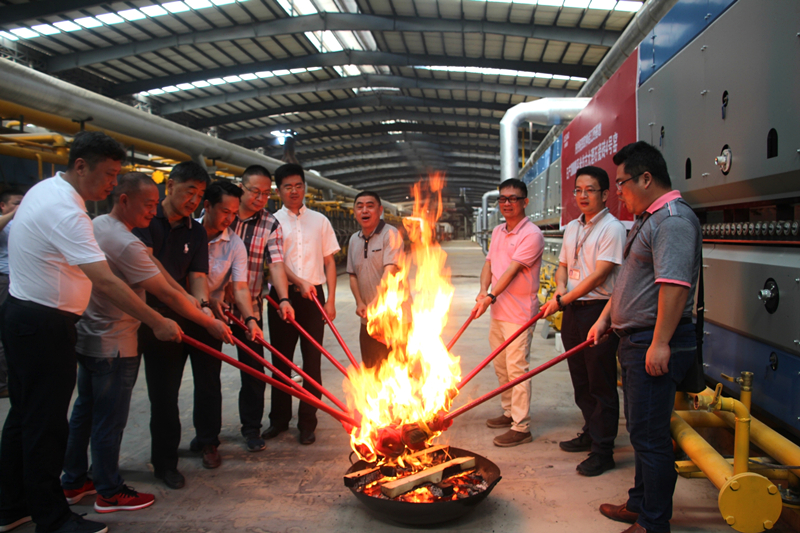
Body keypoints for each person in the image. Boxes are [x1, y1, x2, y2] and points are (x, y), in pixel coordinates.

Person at [0, 131, 181, 533]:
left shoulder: (43, 190)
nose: (112, 184)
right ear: (80, 166)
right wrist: (157, 321)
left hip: (23, 315)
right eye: (108, 174)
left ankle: (12, 505)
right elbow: (106, 281)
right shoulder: (68, 211)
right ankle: (53, 518)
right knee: (46, 425)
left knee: (25, 417)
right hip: (44, 324)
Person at [60, 173, 232, 514]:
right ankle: (109, 488)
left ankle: (74, 479)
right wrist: (204, 321)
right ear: (124, 201)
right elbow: (162, 288)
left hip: (93, 334)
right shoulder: (127, 239)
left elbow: (166, 274)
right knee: (112, 416)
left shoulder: (100, 227)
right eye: (149, 205)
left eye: (200, 194)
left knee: (86, 410)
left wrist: (196, 304)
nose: (152, 211)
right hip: (120, 337)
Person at [588, 142, 701, 533]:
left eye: (621, 183)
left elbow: (674, 286)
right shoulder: (649, 219)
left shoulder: (671, 221)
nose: (617, 191)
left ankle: (654, 523)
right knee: (640, 432)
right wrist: (606, 318)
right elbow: (630, 284)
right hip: (634, 339)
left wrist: (660, 342)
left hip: (651, 341)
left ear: (646, 178)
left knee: (650, 439)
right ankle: (640, 505)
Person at [133, 160, 216, 490]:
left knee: (209, 377)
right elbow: (151, 274)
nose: (194, 200)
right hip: (157, 318)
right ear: (170, 186)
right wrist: (185, 303)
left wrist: (204, 309)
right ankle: (165, 462)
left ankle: (208, 441)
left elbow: (198, 276)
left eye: (199, 195)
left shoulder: (195, 231)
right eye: (189, 192)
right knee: (164, 394)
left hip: (189, 311)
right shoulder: (145, 221)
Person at [541, 166, 626, 477]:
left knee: (600, 380)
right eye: (578, 190)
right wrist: (560, 288)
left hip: (598, 309)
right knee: (581, 378)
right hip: (574, 309)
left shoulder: (613, 229)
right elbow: (563, 265)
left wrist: (564, 299)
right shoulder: (573, 227)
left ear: (605, 194)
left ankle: (604, 451)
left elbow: (600, 274)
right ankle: (591, 431)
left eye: (590, 190)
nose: (583, 195)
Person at [265, 163, 340, 446]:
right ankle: (278, 420)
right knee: (281, 360)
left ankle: (307, 422)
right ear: (278, 190)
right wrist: (298, 283)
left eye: (298, 185)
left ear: (305, 187)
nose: (294, 191)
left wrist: (330, 300)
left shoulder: (320, 221)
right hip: (282, 295)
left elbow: (330, 262)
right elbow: (275, 263)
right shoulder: (272, 221)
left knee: (312, 362)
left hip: (313, 299)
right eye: (287, 187)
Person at [192, 180, 264, 463]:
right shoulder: (188, 233)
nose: (230, 219)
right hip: (186, 311)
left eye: (234, 213)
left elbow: (241, 287)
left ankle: (216, 439)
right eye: (225, 211)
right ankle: (198, 441)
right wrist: (206, 302)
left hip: (216, 312)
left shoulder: (234, 243)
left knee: (212, 377)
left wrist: (250, 319)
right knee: (192, 382)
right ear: (206, 205)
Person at [473, 178, 544, 447]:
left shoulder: (532, 234)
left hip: (519, 314)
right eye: (502, 198)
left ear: (525, 202)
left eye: (513, 198)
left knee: (517, 369)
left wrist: (490, 296)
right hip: (498, 312)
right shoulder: (499, 232)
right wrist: (483, 290)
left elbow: (513, 271)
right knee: (501, 366)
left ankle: (521, 426)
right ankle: (508, 411)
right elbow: (490, 264)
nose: (507, 203)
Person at [228, 165, 294, 453]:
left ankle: (251, 428)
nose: (260, 198)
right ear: (241, 187)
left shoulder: (270, 224)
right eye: (255, 191)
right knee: (205, 374)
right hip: (210, 307)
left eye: (266, 194)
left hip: (249, 309)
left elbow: (276, 263)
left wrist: (283, 298)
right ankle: (206, 439)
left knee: (254, 369)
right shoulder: (220, 215)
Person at [347, 191, 405, 369]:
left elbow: (390, 271)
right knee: (371, 373)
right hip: (368, 321)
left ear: (380, 210)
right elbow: (352, 275)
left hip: (393, 320)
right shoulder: (353, 240)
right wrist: (360, 302)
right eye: (360, 206)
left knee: (397, 376)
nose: (364, 210)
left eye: (370, 206)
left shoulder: (390, 234)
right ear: (355, 212)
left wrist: (375, 302)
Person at [0, 188, 24, 399]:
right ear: (3, 205)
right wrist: (13, 214)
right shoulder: (5, 220)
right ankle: (1, 384)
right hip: (4, 278)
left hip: (17, 279)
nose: (20, 207)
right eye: (17, 203)